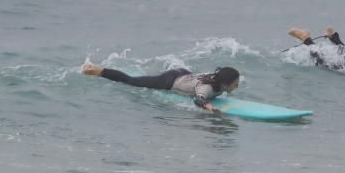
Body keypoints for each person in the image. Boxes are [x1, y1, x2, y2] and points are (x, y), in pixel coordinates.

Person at [81, 63, 240, 112]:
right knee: (130, 81)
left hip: (184, 74)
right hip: (169, 81)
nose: (237, 86)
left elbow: (219, 68)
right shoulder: (207, 89)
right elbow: (198, 100)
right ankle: (97, 70)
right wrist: (209, 107)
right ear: (225, 84)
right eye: (235, 83)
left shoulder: (216, 77)